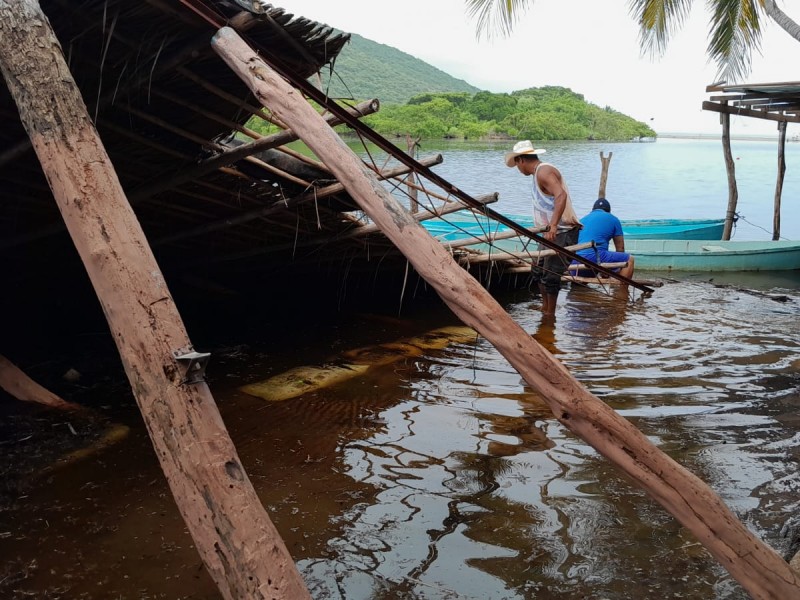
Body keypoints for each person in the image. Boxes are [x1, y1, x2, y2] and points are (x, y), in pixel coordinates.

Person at [505, 140, 581, 315]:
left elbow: (560, 195)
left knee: (551, 276)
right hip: (547, 233)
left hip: (562, 232)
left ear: (521, 160)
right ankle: (545, 308)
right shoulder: (537, 174)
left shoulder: (543, 171)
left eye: (517, 165)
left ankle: (550, 315)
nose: (518, 169)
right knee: (538, 270)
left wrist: (553, 226)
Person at [572, 198, 635, 280]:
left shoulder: (582, 220)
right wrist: (610, 270)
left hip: (575, 262)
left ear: (593, 210)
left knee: (579, 287)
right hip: (595, 258)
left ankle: (577, 288)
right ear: (608, 211)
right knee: (629, 259)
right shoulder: (613, 219)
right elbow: (620, 249)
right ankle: (622, 291)